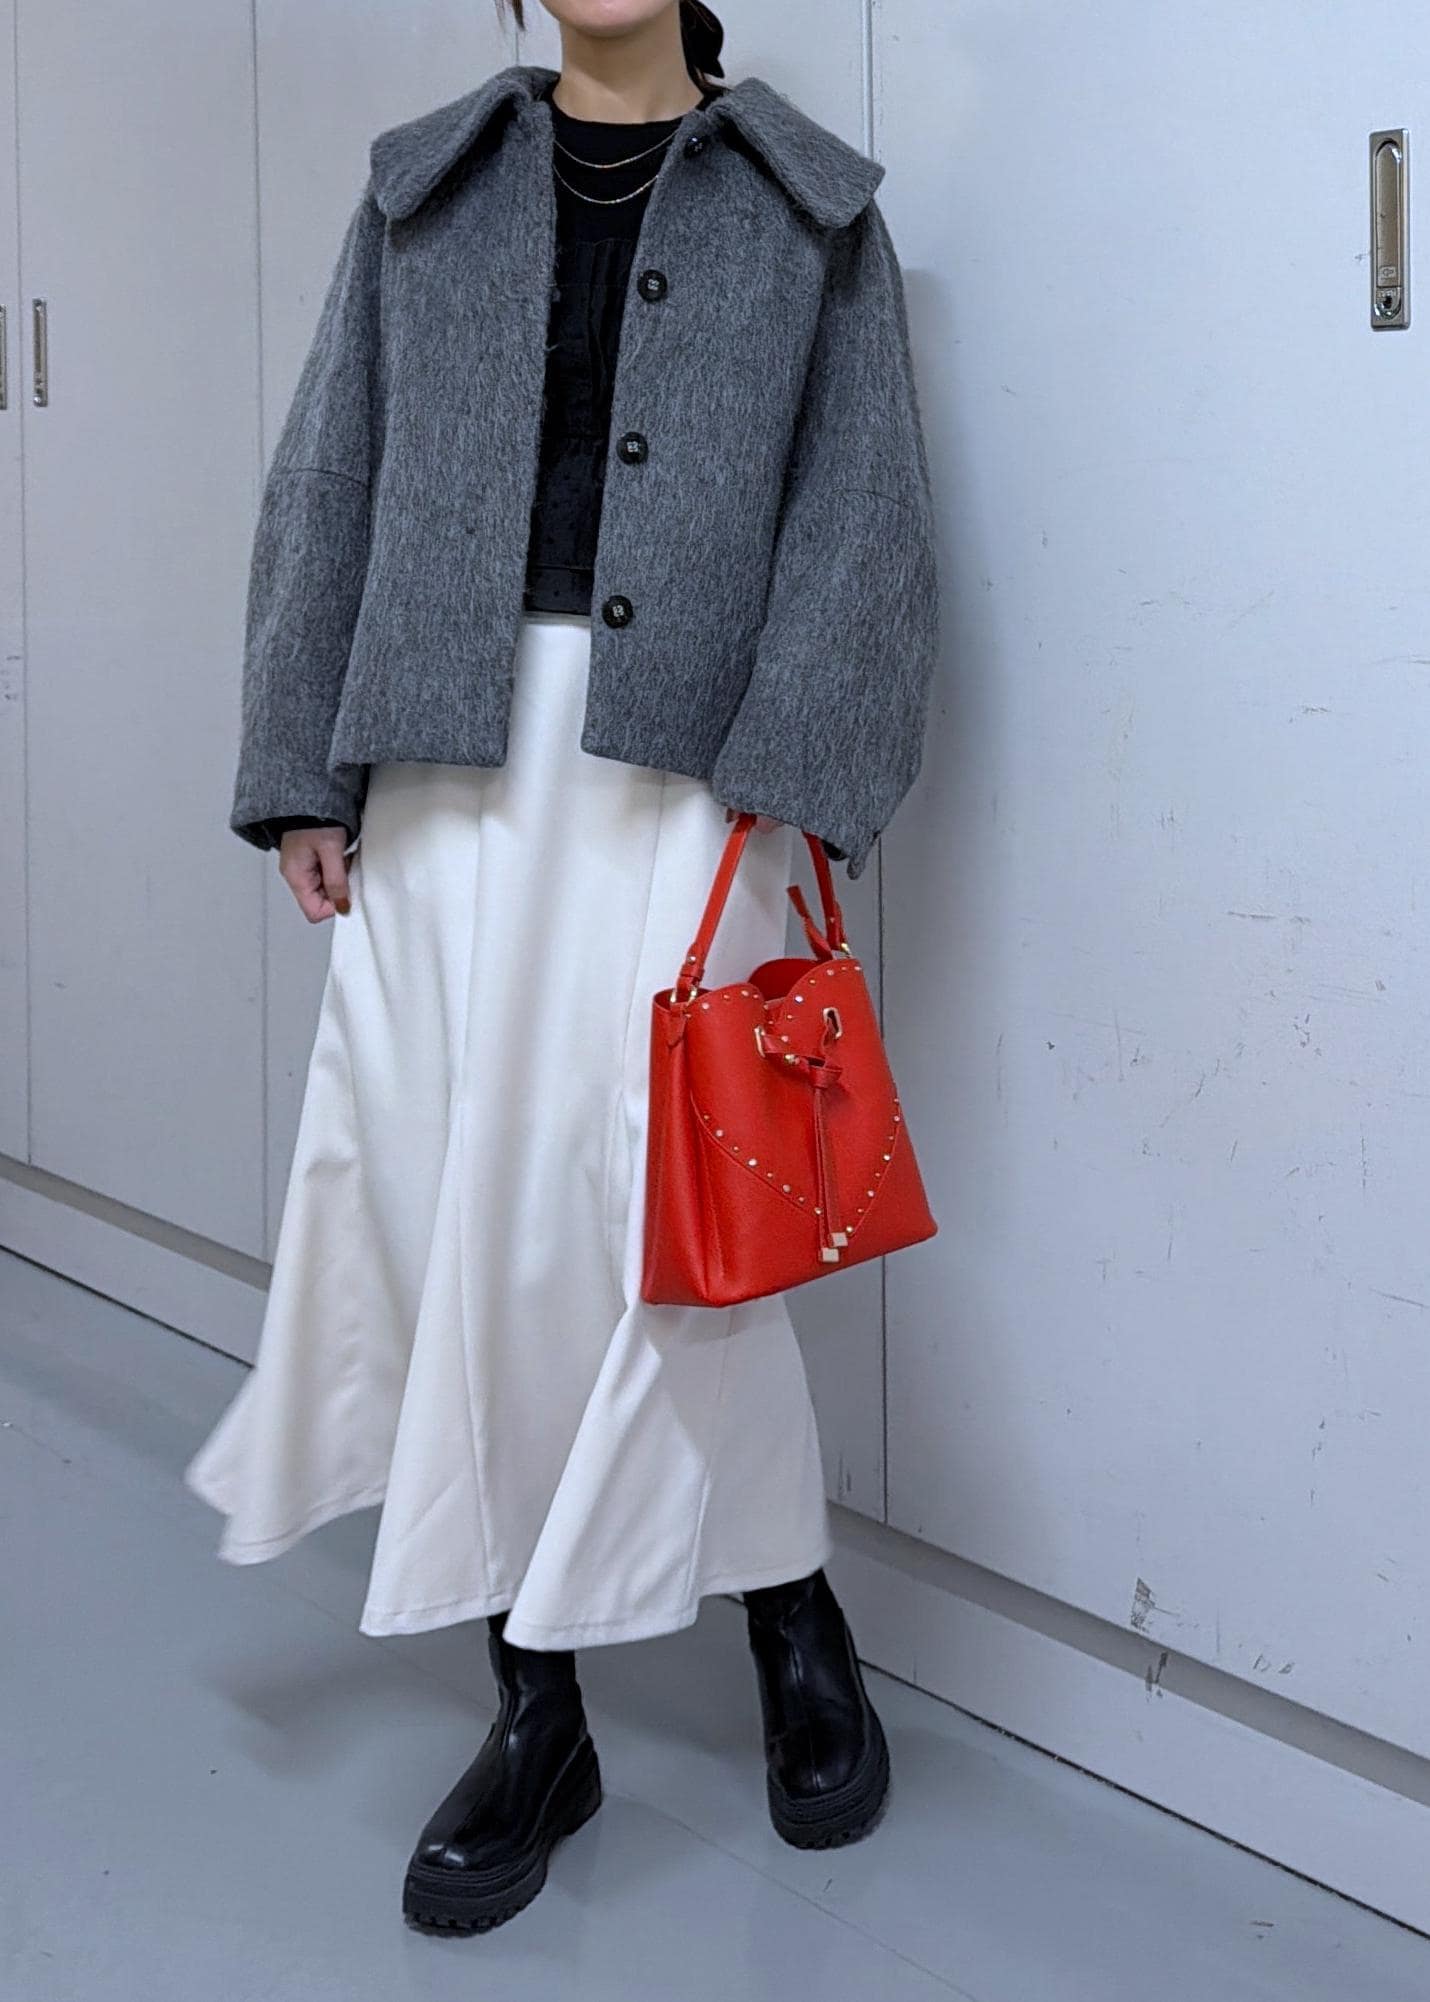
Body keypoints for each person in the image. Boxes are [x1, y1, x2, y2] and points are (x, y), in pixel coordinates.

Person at [186, 0, 938, 1938]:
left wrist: (790, 788)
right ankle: (537, 1703)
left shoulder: (809, 207)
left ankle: (788, 1613)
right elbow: (328, 476)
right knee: (465, 1216)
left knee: (668, 1214)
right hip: (442, 763)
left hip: (685, 775)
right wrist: (299, 773)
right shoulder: (420, 190)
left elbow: (861, 519)